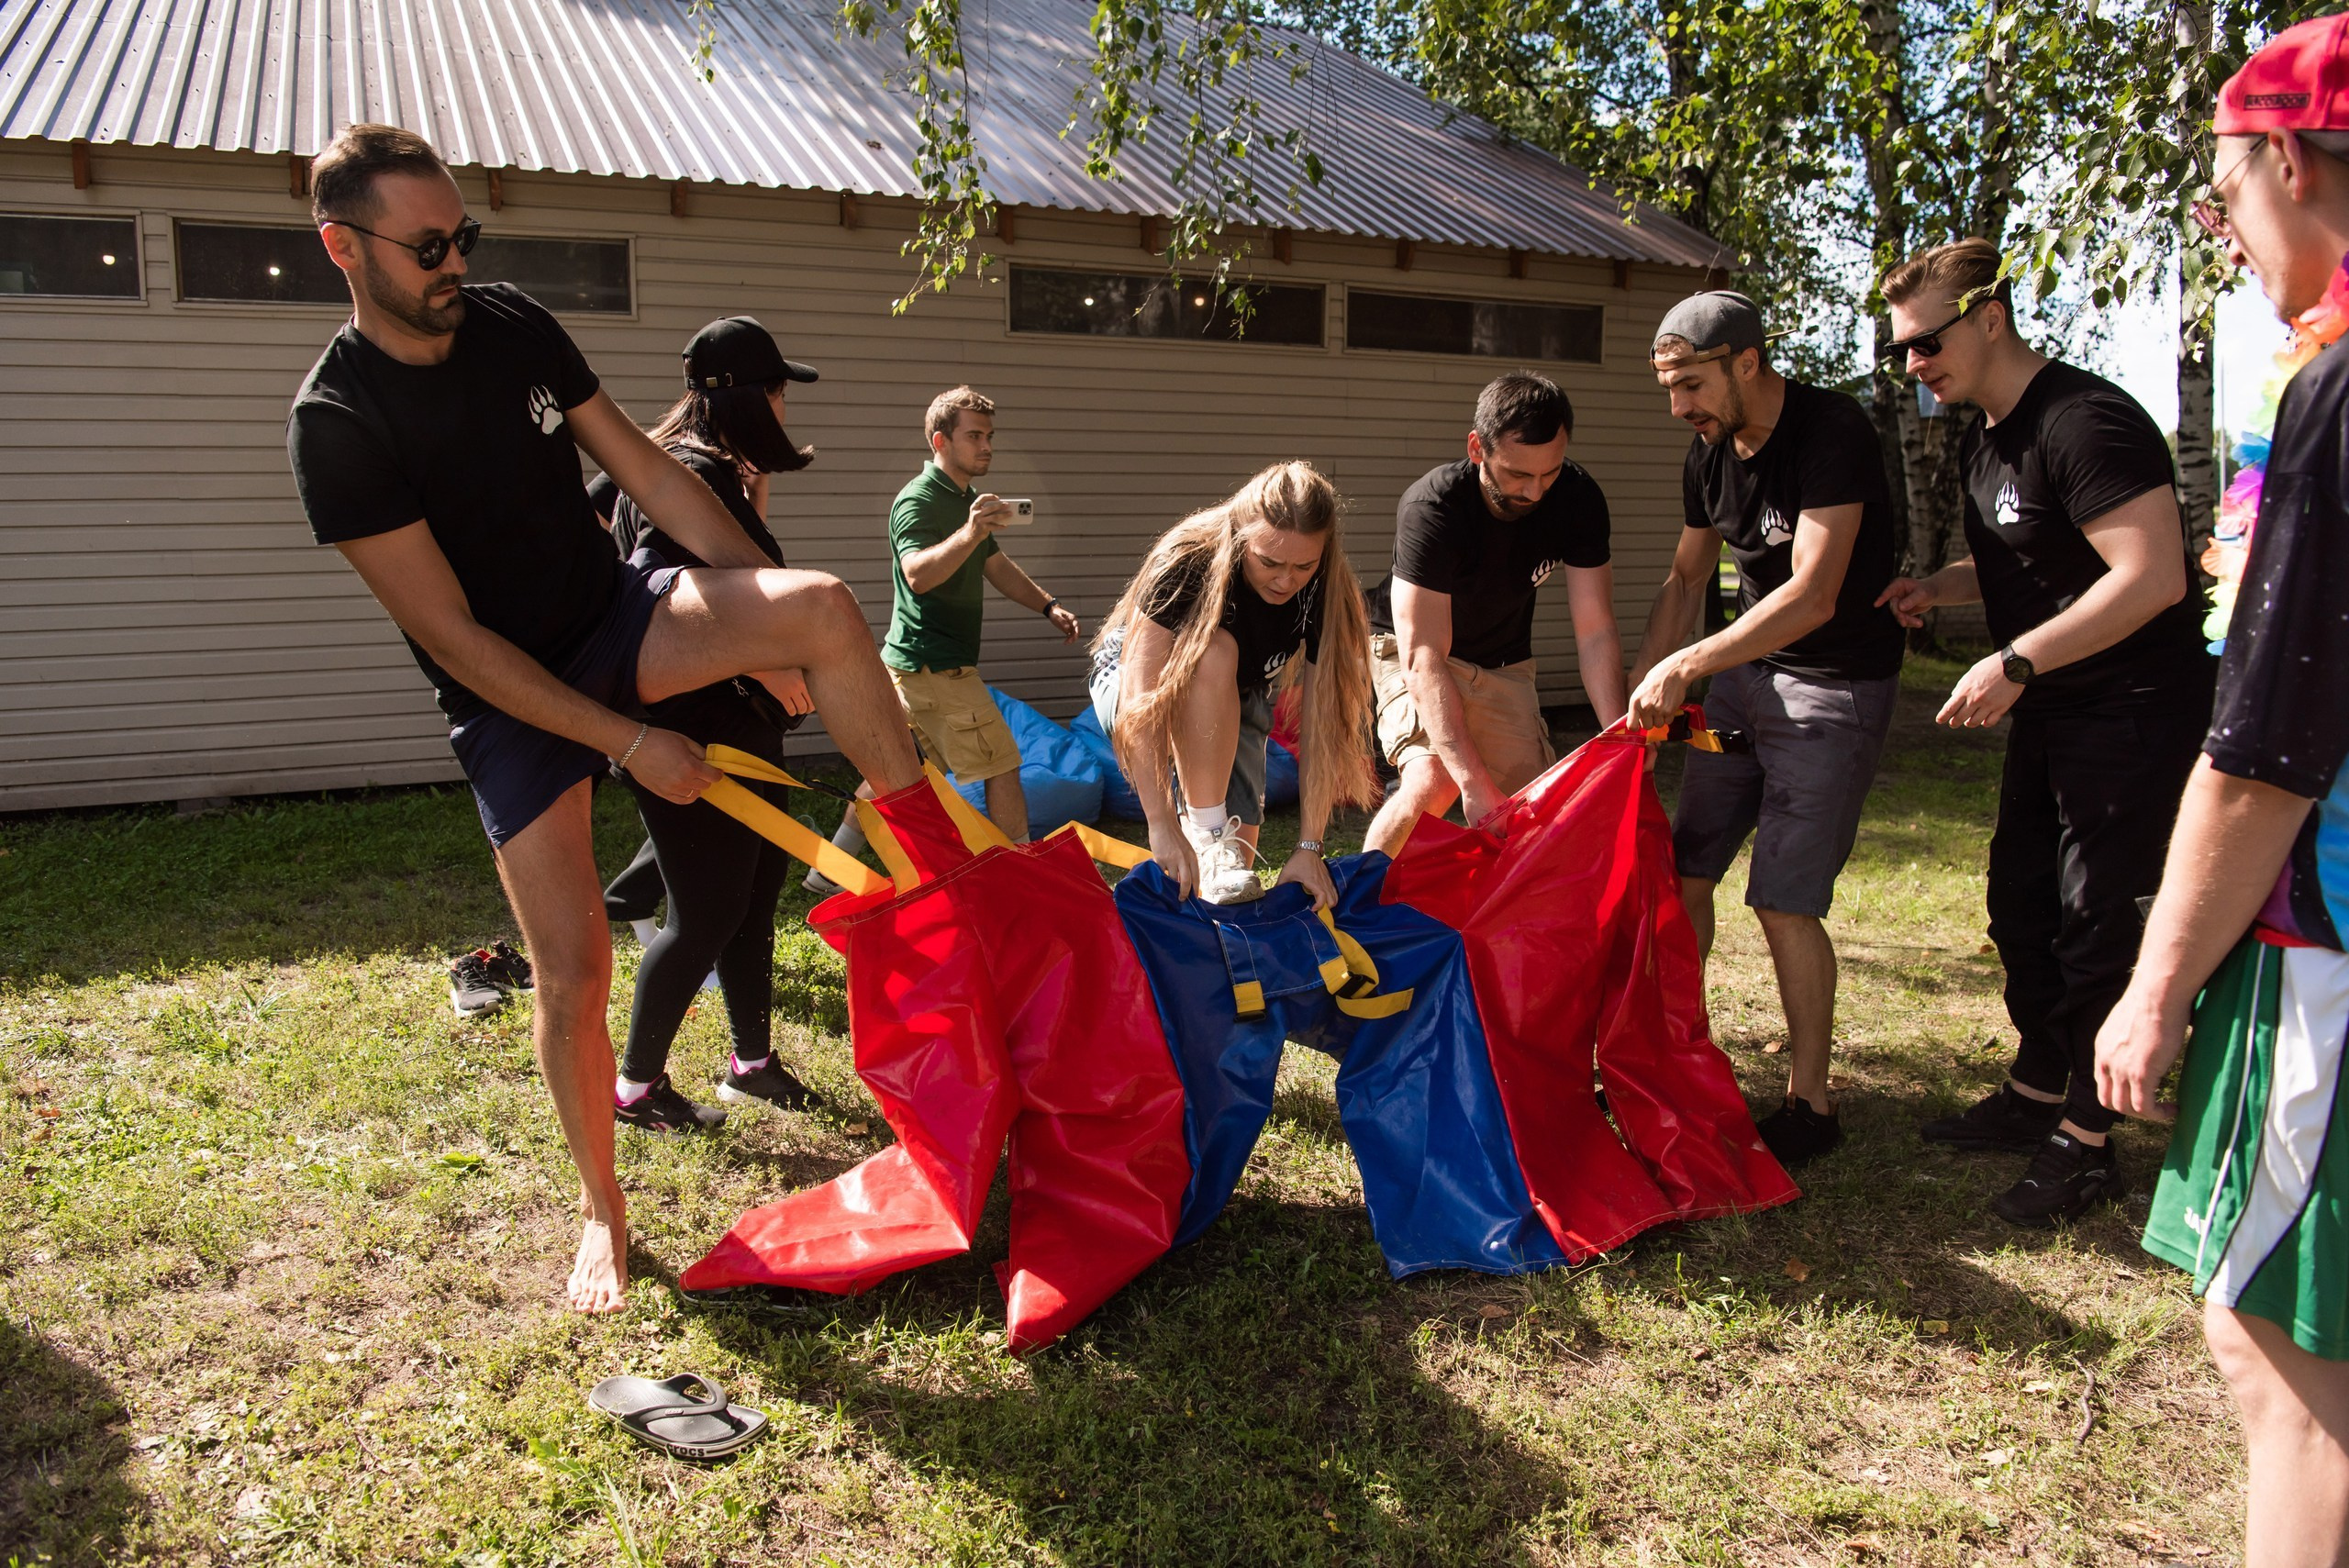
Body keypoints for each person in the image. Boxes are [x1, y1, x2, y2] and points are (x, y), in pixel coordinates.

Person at [284, 124, 922, 1313]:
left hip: (615, 612)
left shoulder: (513, 324)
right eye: (428, 245)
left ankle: (938, 868)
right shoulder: (337, 424)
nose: (454, 262)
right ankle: (602, 1211)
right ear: (344, 247)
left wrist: (760, 617)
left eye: (463, 236)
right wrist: (631, 743)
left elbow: (653, 475)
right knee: (573, 975)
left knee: (826, 608)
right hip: (506, 697)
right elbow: (454, 641)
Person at [2099, 17, 2349, 1562]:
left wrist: (2156, 982)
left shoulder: (2335, 400)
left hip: (2320, 947)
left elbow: (2266, 746)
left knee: (2280, 1352)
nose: (2221, 220)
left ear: (2285, 157)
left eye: (2223, 183)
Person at [1875, 240, 2212, 1227]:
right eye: (1898, 350)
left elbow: (2149, 573)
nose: (1912, 365)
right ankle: (2036, 1087)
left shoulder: (2086, 420)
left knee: (2094, 917)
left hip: (2131, 707)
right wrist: (1941, 584)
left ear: (1988, 318)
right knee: (2019, 901)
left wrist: (2017, 658)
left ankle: (2089, 1137)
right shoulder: (1987, 435)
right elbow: (2039, 552)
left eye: (1925, 342)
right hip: (2054, 708)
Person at [1627, 290, 1906, 1166]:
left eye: (1692, 385)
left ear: (1748, 360)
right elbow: (1684, 579)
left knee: (1784, 900)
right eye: (1669, 390)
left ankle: (1810, 1104)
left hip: (1831, 694)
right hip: (1743, 689)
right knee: (1686, 871)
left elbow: (1815, 593)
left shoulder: (1833, 432)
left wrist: (1692, 663)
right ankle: (1673, 1057)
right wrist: (1641, 683)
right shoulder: (1706, 456)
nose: (1680, 409)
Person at [589, 317, 828, 1133]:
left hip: (739, 726)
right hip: (694, 729)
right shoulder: (690, 472)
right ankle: (636, 1088)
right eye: (777, 391)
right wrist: (765, 662)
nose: (785, 406)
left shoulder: (685, 467)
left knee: (753, 898)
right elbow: (664, 584)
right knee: (706, 912)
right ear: (750, 396)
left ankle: (751, 1064)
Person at [812, 387, 1079, 880]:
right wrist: (969, 533)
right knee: (1002, 764)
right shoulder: (918, 500)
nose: (987, 447)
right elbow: (917, 573)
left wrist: (1047, 605)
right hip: (934, 668)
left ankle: (827, 870)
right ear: (941, 440)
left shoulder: (969, 501)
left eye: (990, 436)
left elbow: (995, 566)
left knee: (891, 773)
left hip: (911, 666)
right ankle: (1021, 872)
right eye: (974, 436)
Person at [1088, 461, 1377, 906]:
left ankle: (1214, 861)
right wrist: (1162, 822)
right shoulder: (1188, 558)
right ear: (1242, 536)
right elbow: (1138, 697)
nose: (1286, 580)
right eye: (1269, 562)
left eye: (1303, 566)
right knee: (1214, 649)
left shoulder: (1327, 589)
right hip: (1135, 680)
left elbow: (1321, 725)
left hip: (1238, 694)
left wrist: (1309, 846)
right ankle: (1204, 829)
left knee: (1232, 879)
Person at [1361, 373, 1625, 858]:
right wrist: (1473, 784)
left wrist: (1620, 737)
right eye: (1518, 474)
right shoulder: (1433, 507)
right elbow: (1424, 657)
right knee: (1434, 780)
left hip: (1504, 662)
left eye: (1550, 472)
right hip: (1411, 650)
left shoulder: (1579, 498)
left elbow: (1595, 631)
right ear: (1477, 447)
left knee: (1535, 808)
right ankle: (1351, 911)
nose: (1536, 491)